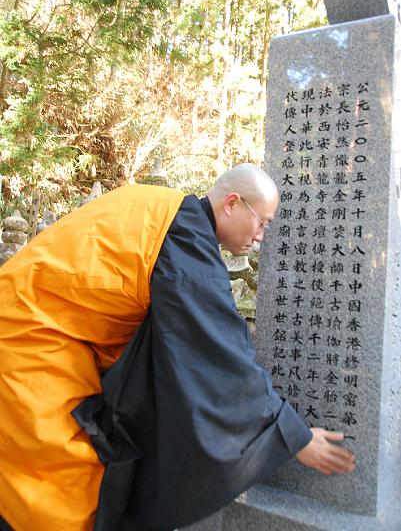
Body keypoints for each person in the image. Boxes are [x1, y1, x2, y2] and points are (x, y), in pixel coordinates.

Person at [0, 164, 355, 531]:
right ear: (232, 203)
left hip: (32, 322)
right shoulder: (183, 236)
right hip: (31, 340)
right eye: (261, 223)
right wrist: (290, 433)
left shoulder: (162, 207)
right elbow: (218, 352)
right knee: (64, 492)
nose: (261, 237)